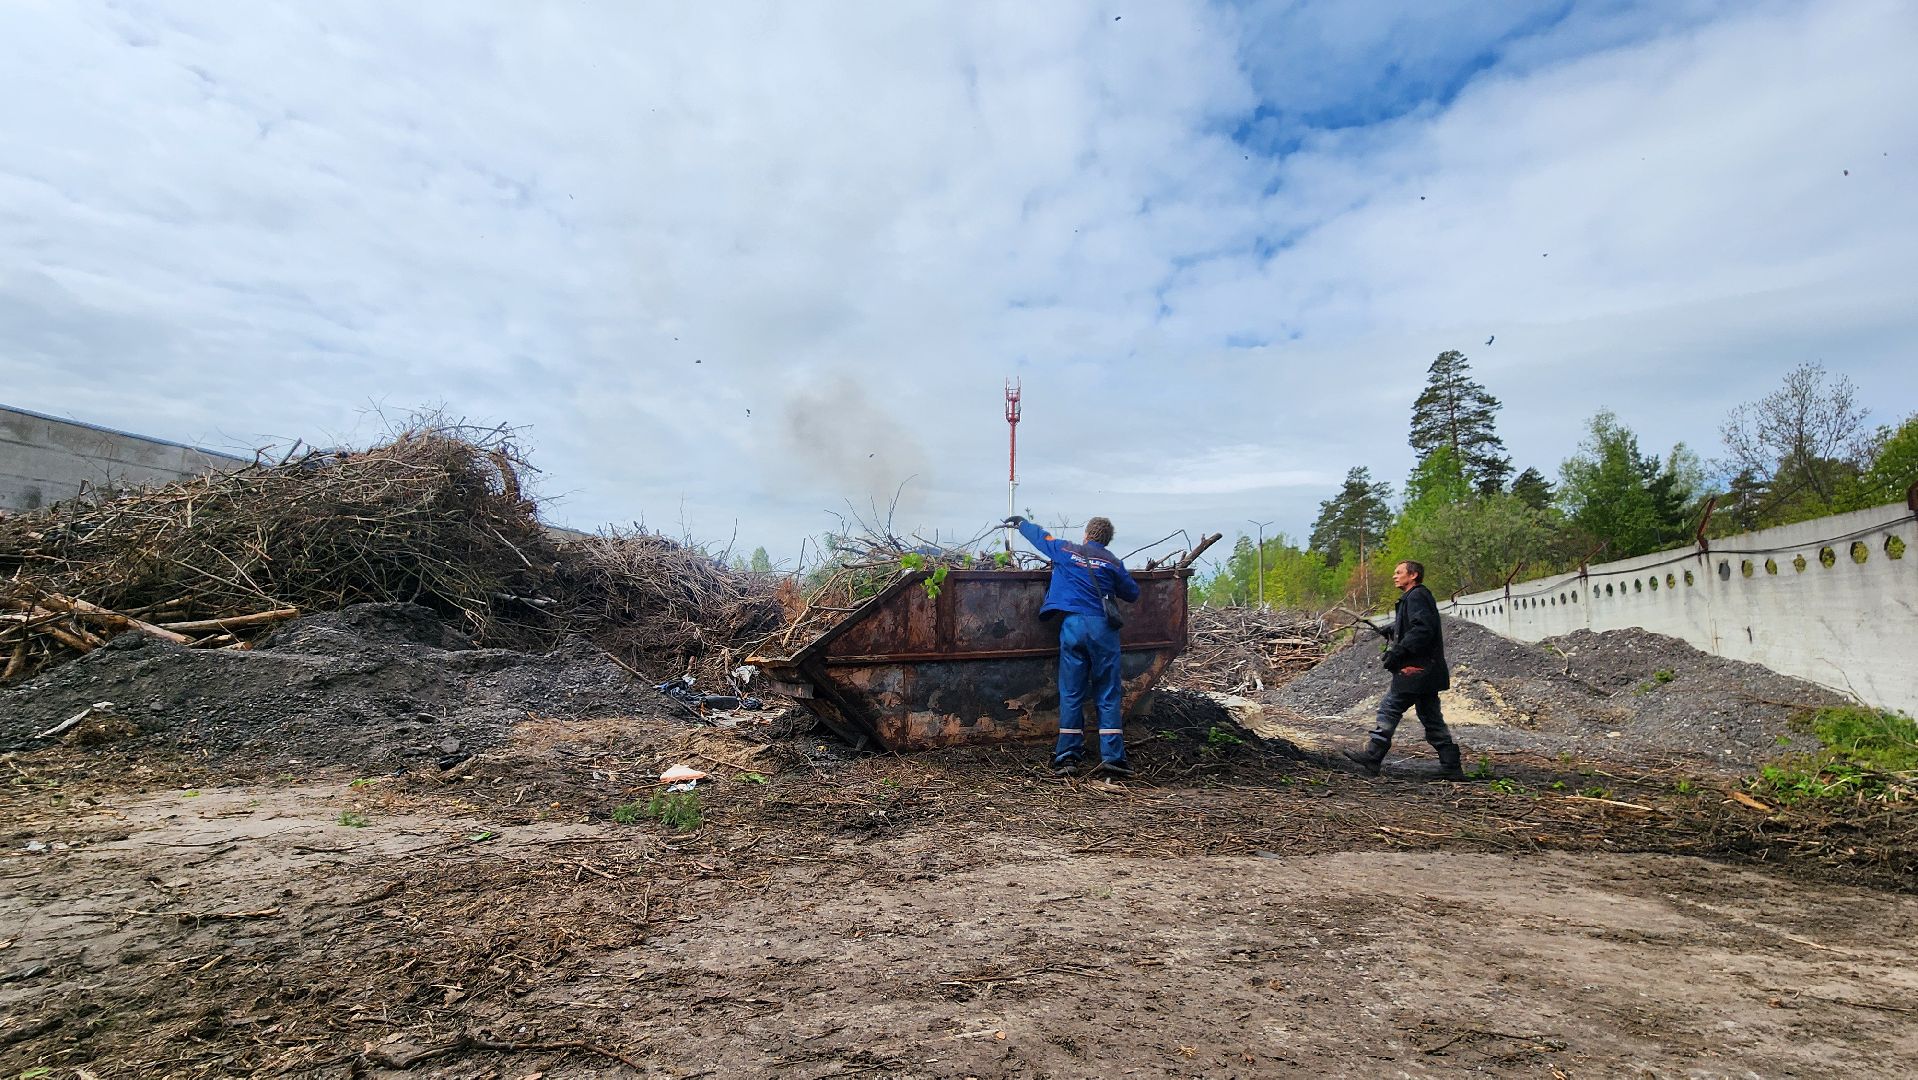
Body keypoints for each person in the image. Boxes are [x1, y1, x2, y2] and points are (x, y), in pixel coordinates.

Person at [1004, 514, 1141, 777]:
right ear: (1107, 539)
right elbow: (1133, 593)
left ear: (1087, 534)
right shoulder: (1113, 561)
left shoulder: (1066, 550)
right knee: (1108, 692)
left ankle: (1067, 758)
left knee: (1071, 692)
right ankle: (1113, 758)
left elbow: (1042, 539)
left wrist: (1022, 524)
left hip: (1073, 627)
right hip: (1103, 629)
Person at [1342, 559, 1464, 779]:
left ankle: (1373, 755)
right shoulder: (1416, 597)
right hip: (1426, 670)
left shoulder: (1417, 595)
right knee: (1430, 716)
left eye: (1399, 572)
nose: (1394, 576)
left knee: (1390, 707)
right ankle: (1451, 764)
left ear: (1413, 575)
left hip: (1416, 669)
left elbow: (1423, 629)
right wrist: (1393, 629)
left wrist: (1398, 652)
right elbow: (1418, 624)